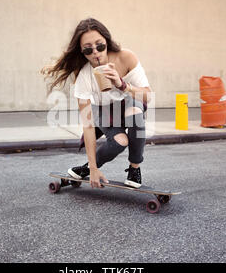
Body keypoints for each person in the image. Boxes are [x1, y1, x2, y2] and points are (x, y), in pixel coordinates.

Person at [41, 18, 152, 189]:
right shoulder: (84, 76)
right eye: (88, 49)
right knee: (119, 142)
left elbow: (148, 96)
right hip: (103, 111)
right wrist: (94, 168)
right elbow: (88, 125)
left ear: (107, 41)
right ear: (81, 52)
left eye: (100, 46)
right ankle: (87, 168)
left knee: (136, 113)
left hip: (128, 104)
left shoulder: (125, 58)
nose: (96, 53)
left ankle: (134, 169)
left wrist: (122, 84)